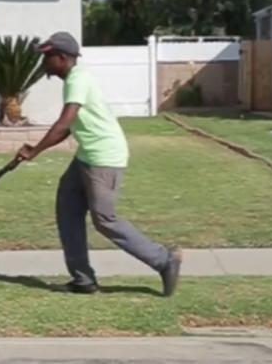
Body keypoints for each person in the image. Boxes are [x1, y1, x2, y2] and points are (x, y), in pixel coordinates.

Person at [15, 31, 182, 297]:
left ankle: (164, 260)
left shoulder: (77, 80)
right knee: (68, 207)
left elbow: (64, 125)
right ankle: (83, 279)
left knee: (105, 219)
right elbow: (72, 126)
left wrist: (34, 151)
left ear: (62, 57)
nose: (43, 63)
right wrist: (39, 147)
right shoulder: (73, 80)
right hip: (87, 155)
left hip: (104, 157)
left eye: (47, 57)